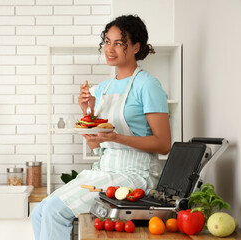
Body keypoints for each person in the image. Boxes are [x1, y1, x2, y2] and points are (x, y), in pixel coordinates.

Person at [31, 15, 171, 240]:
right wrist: (87, 113)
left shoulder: (148, 85)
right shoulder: (101, 89)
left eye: (119, 43)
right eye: (107, 41)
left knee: (54, 211)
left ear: (136, 47)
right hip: (104, 170)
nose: (110, 49)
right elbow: (95, 142)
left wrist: (116, 138)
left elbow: (163, 144)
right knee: (39, 212)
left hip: (135, 175)